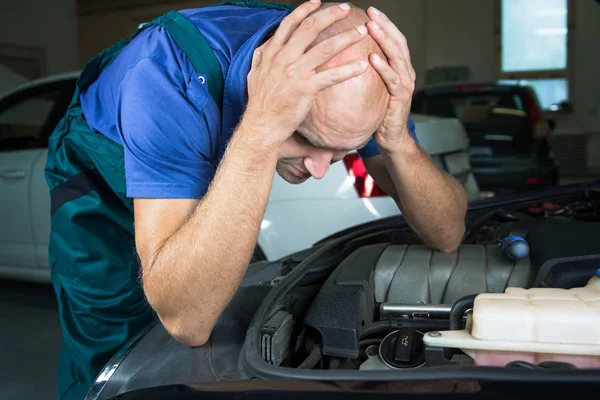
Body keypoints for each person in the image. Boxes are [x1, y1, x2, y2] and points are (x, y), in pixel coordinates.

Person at [44, 1, 467, 399]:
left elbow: (448, 233)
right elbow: (186, 320)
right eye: (305, 138)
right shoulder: (165, 76)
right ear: (263, 88)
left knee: (225, 312)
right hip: (99, 176)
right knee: (113, 343)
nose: (321, 169)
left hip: (221, 126)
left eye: (343, 150)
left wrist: (396, 142)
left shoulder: (352, 77)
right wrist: (260, 131)